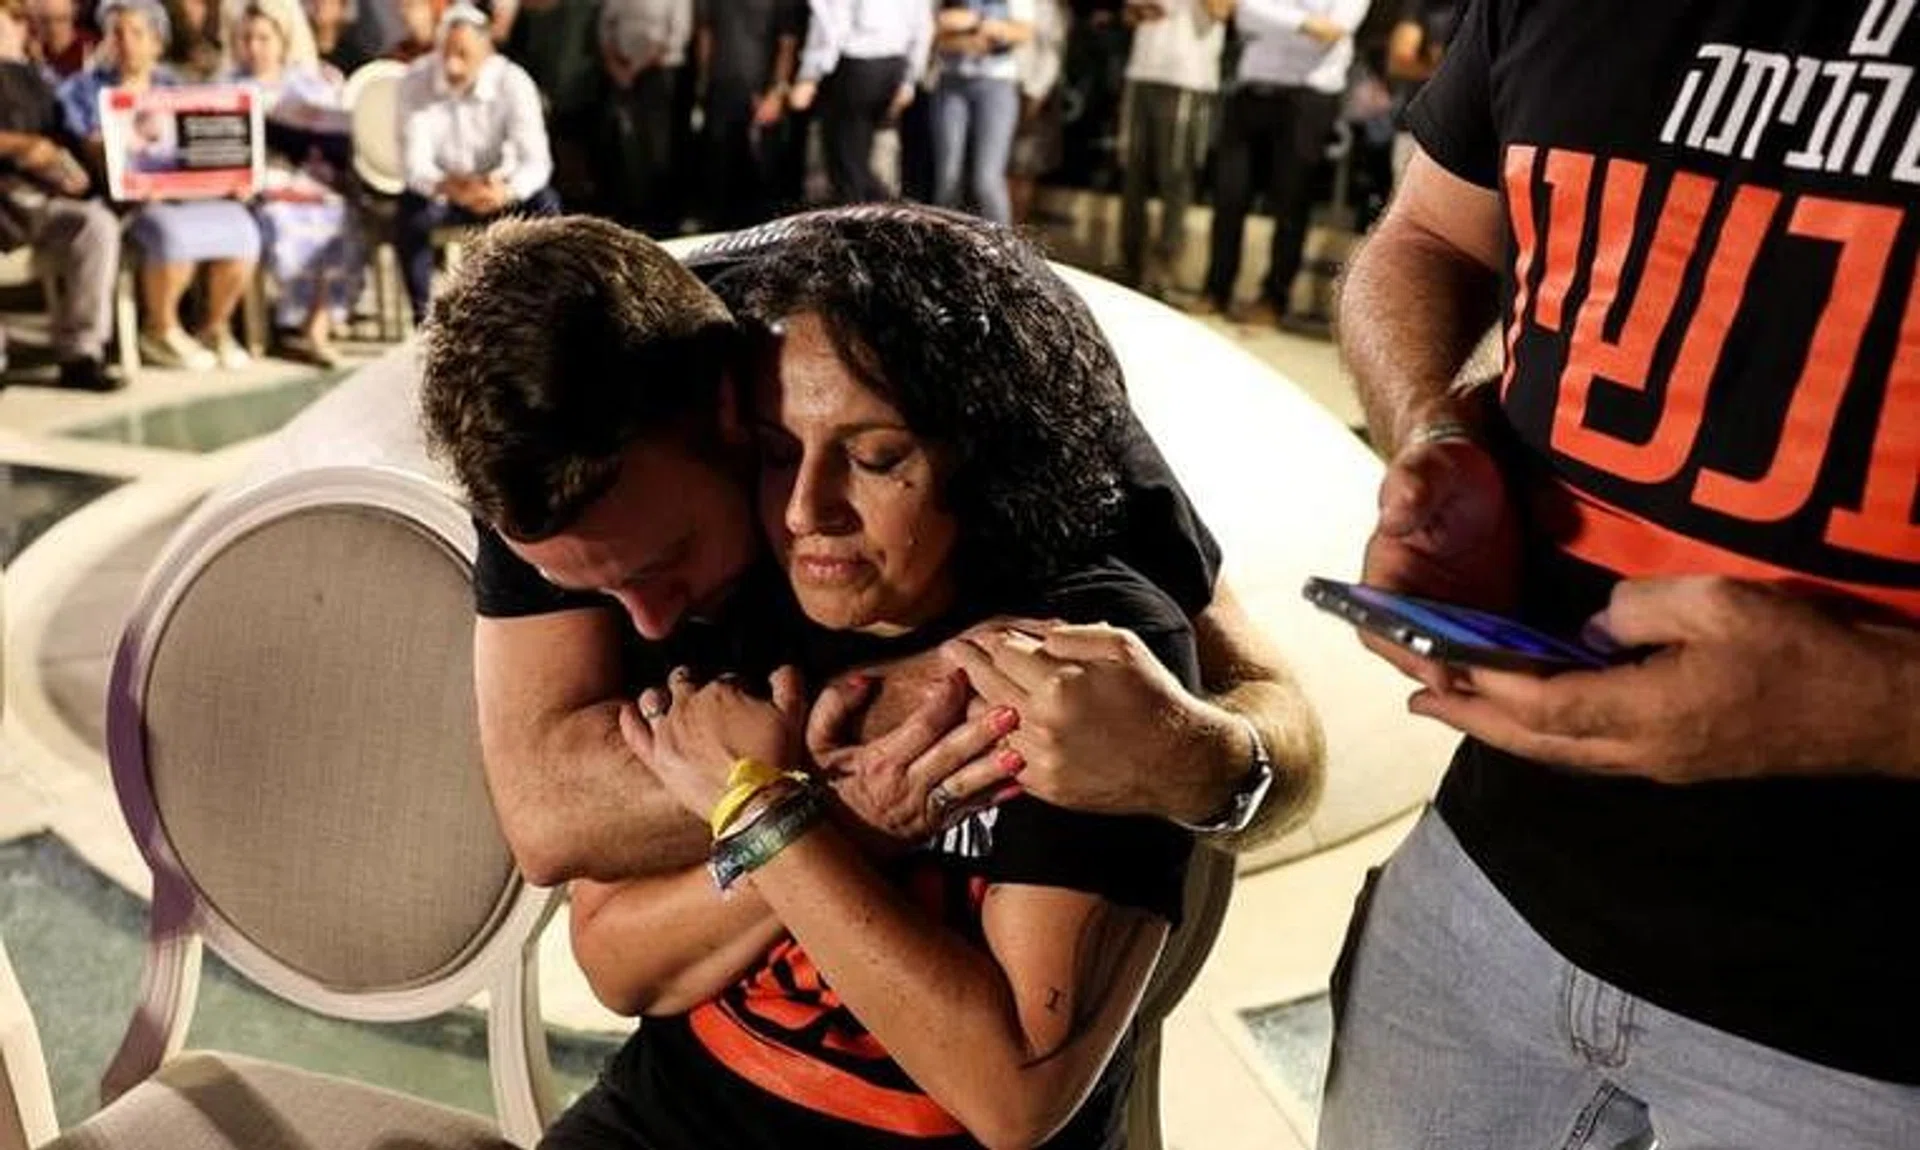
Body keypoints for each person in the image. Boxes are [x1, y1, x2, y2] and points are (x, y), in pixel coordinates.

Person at [1319, 1, 1920, 1147]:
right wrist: (1434, 438)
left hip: (1875, 1034)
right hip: (1489, 883)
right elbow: (1427, 240)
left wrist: (1889, 703)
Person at [477, 208, 1191, 1150]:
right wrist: (828, 819)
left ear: (978, 452)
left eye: (875, 456)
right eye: (780, 454)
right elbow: (614, 962)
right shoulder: (737, 587)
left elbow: (1013, 1096)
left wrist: (772, 818)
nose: (808, 510)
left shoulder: (1081, 661)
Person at [418, 206, 1321, 911]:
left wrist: (1208, 761)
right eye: (598, 592)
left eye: (667, 564)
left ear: (745, 420)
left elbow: (1277, 722)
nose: (650, 626)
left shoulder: (987, 374)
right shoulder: (541, 419)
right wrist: (937, 701)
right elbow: (548, 818)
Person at [59, 0, 264, 370]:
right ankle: (161, 328)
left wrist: (232, 172)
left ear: (157, 41)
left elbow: (204, 143)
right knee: (171, 234)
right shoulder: (83, 90)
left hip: (188, 195)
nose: (125, 42)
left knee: (243, 229)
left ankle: (214, 326)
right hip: (132, 203)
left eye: (137, 33)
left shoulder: (176, 86)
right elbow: (83, 147)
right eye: (116, 32)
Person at [1188, 0, 1367, 326]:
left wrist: (1265, 17)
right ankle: (1215, 289)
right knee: (1229, 195)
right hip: (1250, 89)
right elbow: (1237, 15)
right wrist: (1302, 24)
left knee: (1291, 202)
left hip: (1308, 97)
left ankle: (1274, 299)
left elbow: (1330, 32)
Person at [393, 0, 556, 323]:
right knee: (408, 216)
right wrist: (448, 186)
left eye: (463, 54)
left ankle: (548, 310)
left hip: (496, 188)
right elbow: (413, 164)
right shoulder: (415, 80)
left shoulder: (513, 81)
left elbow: (536, 161)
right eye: (447, 53)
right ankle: (423, 321)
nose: (453, 65)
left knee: (547, 205)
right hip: (445, 190)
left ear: (487, 52)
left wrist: (505, 191)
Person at [231, 0, 362, 366]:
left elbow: (335, 139)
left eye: (263, 38)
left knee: (337, 216)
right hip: (261, 188)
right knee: (281, 221)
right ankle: (293, 321)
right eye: (248, 38)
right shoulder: (229, 86)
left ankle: (319, 323)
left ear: (281, 40)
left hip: (313, 183)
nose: (255, 47)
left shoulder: (308, 84)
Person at [0, 0, 120, 391]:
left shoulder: (40, 80)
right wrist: (23, 147)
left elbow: (62, 142)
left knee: (96, 226)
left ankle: (82, 352)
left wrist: (72, 166)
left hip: (39, 200)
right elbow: (31, 144)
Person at [1116, 0, 1228, 296]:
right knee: (1133, 175)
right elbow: (1131, 14)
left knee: (1175, 177)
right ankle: (1128, 263)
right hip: (1141, 72)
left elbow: (1222, 10)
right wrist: (1138, 10)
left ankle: (1163, 269)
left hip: (1187, 77)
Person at [789, 0, 931, 206]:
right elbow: (923, 27)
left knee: (846, 166)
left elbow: (831, 24)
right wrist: (909, 80)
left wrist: (810, 75)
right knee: (859, 159)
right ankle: (886, 214)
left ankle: (888, 215)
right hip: (893, 67)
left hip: (855, 68)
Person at [692, 0, 806, 229]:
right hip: (721, 88)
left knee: (761, 173)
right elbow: (705, 33)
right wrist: (704, 82)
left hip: (761, 90)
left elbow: (788, 44)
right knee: (718, 168)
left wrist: (776, 91)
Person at [931, 0, 1033, 224]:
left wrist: (976, 22)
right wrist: (967, 38)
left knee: (986, 179)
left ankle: (1004, 247)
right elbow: (935, 29)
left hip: (996, 84)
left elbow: (1024, 32)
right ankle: (942, 244)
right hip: (951, 82)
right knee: (948, 176)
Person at [596, 0, 690, 233]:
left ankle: (660, 223)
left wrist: (636, 69)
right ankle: (626, 219)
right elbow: (605, 27)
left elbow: (677, 35)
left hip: (659, 75)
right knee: (624, 151)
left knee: (658, 152)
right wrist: (615, 66)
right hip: (621, 73)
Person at [502, 0, 602, 211]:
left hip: (580, 91)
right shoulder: (532, 18)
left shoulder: (585, 10)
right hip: (544, 91)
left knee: (579, 157)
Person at [1005, 0, 1066, 224]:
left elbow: (1052, 55)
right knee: (1001, 170)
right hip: (1002, 84)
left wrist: (1036, 93)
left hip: (1030, 91)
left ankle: (1015, 232)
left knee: (1022, 171)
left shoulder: (1048, 8)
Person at [29, 0, 95, 76]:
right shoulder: (31, 51)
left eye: (61, 20)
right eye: (46, 21)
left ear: (73, 16)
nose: (53, 28)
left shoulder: (89, 48)